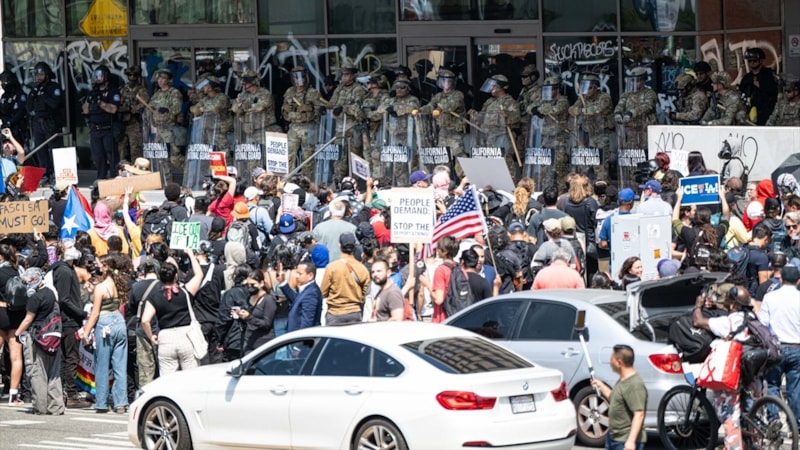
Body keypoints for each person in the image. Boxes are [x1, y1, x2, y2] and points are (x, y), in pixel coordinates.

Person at [692, 282, 763, 450]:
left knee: (729, 413)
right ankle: (756, 444)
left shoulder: (728, 322)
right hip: (755, 370)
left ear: (732, 304)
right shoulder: (753, 317)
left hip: (734, 372)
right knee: (754, 412)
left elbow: (698, 321)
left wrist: (698, 306)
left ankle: (734, 447)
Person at [140, 251, 204, 376]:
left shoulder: (154, 297)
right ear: (176, 276)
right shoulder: (186, 291)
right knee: (191, 377)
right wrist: (191, 254)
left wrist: (151, 336)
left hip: (165, 338)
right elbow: (199, 274)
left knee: (167, 380)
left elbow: (145, 320)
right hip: (186, 336)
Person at [81, 254, 129, 413]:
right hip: (119, 321)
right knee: (120, 366)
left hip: (105, 323)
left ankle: (101, 403)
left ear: (106, 267)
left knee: (101, 364)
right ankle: (120, 403)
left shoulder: (101, 288)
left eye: (99, 264)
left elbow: (95, 313)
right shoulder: (117, 283)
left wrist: (86, 333)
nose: (97, 267)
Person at [14, 267, 65, 415]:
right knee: (53, 373)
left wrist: (17, 333)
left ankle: (40, 407)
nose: (25, 285)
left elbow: (28, 319)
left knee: (37, 372)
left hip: (37, 338)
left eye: (26, 282)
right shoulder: (50, 293)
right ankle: (56, 406)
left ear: (35, 280)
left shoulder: (35, 298)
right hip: (53, 336)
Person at [760, 264, 800, 426]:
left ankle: (773, 420)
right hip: (797, 348)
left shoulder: (770, 298)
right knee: (795, 388)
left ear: (781, 279)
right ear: (798, 281)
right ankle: (796, 424)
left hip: (775, 348)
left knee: (772, 385)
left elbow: (763, 325)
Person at [590, 344, 647, 450]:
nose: (610, 362)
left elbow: (639, 414)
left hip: (624, 440)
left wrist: (630, 441)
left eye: (612, 359)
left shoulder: (635, 385)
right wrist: (601, 386)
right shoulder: (623, 380)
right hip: (614, 438)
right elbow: (615, 399)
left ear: (619, 363)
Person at [568, 73, 614, 182]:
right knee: (589, 163)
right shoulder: (583, 98)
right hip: (588, 135)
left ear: (595, 87)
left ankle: (603, 187)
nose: (586, 91)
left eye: (588, 88)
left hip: (602, 135)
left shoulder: (604, 97)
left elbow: (596, 109)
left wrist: (582, 110)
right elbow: (572, 109)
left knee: (601, 165)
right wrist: (578, 109)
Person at [416, 68, 467, 165]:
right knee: (443, 157)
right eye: (443, 81)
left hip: (455, 132)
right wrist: (420, 110)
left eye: (448, 81)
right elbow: (430, 105)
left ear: (453, 82)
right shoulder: (439, 95)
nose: (446, 83)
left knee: (459, 156)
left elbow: (450, 105)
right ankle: (444, 174)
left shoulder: (458, 94)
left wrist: (439, 109)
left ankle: (465, 174)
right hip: (443, 131)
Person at [474, 74, 521, 176]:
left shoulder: (510, 102)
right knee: (491, 166)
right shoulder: (489, 102)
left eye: (493, 85)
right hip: (489, 138)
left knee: (505, 164)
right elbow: (482, 117)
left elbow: (516, 118)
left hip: (503, 138)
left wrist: (506, 116)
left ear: (500, 87)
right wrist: (477, 116)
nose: (491, 88)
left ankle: (510, 184)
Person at [282, 67, 323, 178]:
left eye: (301, 77)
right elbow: (284, 109)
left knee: (308, 156)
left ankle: (306, 180)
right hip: (293, 127)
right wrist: (286, 109)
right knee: (288, 155)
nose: (298, 80)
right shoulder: (290, 92)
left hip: (308, 127)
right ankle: (287, 180)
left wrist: (309, 109)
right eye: (295, 77)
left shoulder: (312, 92)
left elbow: (321, 110)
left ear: (305, 77)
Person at [26, 62, 63, 185]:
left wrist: (44, 96)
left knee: (54, 150)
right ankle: (45, 175)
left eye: (41, 74)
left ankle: (57, 175)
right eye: (37, 75)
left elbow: (55, 104)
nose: (39, 77)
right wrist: (33, 94)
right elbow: (28, 107)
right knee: (41, 150)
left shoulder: (54, 87)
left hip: (50, 123)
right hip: (38, 123)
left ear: (47, 74)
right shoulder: (36, 89)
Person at [320, 232, 370, 325]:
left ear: (340, 246)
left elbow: (323, 292)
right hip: (355, 312)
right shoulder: (362, 268)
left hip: (335, 313)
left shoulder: (332, 267)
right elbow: (365, 292)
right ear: (354, 246)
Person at [329, 63, 367, 178]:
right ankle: (338, 180)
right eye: (343, 74)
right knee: (339, 157)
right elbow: (332, 104)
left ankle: (355, 181)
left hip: (353, 128)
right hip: (340, 128)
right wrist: (327, 108)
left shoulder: (358, 89)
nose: (344, 77)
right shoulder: (339, 89)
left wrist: (344, 109)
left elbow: (359, 109)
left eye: (347, 74)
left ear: (353, 75)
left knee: (355, 156)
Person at [147, 69, 185, 182]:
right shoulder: (156, 95)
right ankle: (168, 182)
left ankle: (189, 177)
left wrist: (166, 109)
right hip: (159, 130)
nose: (160, 80)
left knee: (175, 159)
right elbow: (150, 108)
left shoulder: (174, 93)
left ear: (168, 80)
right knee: (161, 158)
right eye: (159, 78)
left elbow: (177, 108)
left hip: (171, 129)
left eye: (163, 78)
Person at [379, 79, 420, 183]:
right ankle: (400, 184)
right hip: (394, 137)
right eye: (397, 88)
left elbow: (412, 108)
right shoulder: (391, 100)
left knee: (411, 162)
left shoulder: (412, 99)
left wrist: (395, 109)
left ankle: (412, 184)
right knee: (397, 165)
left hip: (409, 136)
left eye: (402, 88)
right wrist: (388, 108)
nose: (399, 90)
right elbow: (380, 109)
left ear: (408, 89)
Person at [0, 243, 25, 406]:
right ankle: (13, 396)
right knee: (16, 357)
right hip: (17, 315)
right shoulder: (19, 271)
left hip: (0, 311)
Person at [614, 67, 657, 150]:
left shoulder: (650, 93)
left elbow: (647, 106)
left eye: (636, 81)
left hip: (645, 131)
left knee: (645, 153)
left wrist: (632, 112)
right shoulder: (627, 94)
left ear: (643, 81)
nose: (634, 83)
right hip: (630, 131)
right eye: (632, 81)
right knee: (631, 153)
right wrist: (618, 112)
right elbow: (620, 104)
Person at [237, 269, 277, 355]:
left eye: (253, 285)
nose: (250, 287)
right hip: (249, 341)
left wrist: (248, 317)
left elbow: (266, 324)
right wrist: (240, 316)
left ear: (261, 283)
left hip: (263, 343)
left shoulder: (268, 300)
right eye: (248, 285)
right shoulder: (249, 298)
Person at [117, 66, 149, 162]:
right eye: (129, 75)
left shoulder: (142, 90)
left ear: (137, 76)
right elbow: (116, 104)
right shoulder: (122, 89)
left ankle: (136, 169)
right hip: (122, 124)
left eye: (134, 75)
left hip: (135, 123)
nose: (132, 77)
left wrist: (131, 108)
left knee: (135, 150)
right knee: (121, 150)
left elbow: (145, 104)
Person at [739, 47, 778, 126]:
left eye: (754, 60)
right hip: (749, 112)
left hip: (766, 112)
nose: (752, 63)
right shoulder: (747, 78)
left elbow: (774, 94)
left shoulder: (769, 75)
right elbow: (741, 93)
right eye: (749, 61)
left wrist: (761, 87)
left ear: (761, 61)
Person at [280, 261, 322, 332]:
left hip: (299, 336)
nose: (296, 276)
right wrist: (282, 282)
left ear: (310, 276)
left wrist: (301, 337)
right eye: (297, 273)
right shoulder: (307, 289)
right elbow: (296, 300)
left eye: (300, 274)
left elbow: (307, 322)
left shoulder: (311, 293)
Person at [0, 70, 29, 145]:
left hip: (18, 129)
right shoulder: (4, 96)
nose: (2, 84)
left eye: (3, 81)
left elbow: (21, 112)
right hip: (6, 129)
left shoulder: (19, 94)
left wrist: (10, 122)